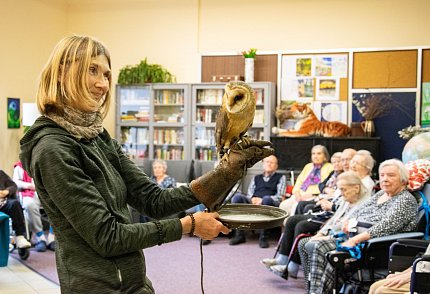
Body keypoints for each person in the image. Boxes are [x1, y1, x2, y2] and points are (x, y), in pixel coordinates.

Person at [19, 35, 274, 293]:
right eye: (91, 70)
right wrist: (189, 225)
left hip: (133, 283)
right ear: (61, 73)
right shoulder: (52, 149)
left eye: (107, 74)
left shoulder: (97, 137)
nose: (103, 84)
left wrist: (226, 171)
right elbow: (108, 237)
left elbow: (154, 200)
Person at [299, 159, 419, 294]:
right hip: (355, 237)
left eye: (391, 175)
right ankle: (316, 291)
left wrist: (353, 240)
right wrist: (347, 221)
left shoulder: (405, 200)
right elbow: (358, 210)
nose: (385, 179)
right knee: (315, 246)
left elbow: (385, 227)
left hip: (375, 247)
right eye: (382, 175)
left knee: (322, 248)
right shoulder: (381, 194)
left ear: (403, 180)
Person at [262, 171, 369, 278]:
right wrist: (320, 234)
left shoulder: (362, 204)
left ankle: (294, 268)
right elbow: (334, 219)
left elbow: (344, 227)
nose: (341, 193)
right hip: (329, 222)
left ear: (356, 188)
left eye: (343, 189)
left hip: (340, 235)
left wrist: (326, 236)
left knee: (303, 230)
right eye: (340, 189)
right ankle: (284, 260)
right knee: (292, 221)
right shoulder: (346, 199)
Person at [229, 155, 287, 248]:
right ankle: (239, 235)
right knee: (237, 198)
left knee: (266, 199)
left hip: (270, 202)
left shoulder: (281, 178)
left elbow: (280, 197)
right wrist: (252, 199)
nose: (269, 164)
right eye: (267, 162)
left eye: (272, 162)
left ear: (276, 166)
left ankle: (263, 237)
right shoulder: (256, 178)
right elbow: (249, 194)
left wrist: (262, 200)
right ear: (263, 164)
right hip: (254, 201)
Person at [279, 144, 333, 219]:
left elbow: (324, 185)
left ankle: (291, 226)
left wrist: (311, 194)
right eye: (313, 153)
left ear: (325, 156)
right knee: (283, 205)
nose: (315, 156)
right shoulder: (308, 166)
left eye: (319, 153)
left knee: (296, 207)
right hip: (300, 194)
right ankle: (285, 228)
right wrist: (297, 194)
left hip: (314, 196)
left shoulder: (329, 167)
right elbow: (299, 182)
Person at [13, 161, 56, 252]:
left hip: (46, 193)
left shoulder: (45, 163)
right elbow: (15, 182)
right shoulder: (20, 166)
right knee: (29, 205)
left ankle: (52, 237)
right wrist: (29, 185)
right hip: (29, 193)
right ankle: (40, 238)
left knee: (57, 202)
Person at [0, 169, 31, 249]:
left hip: (3, 203)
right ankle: (3, 242)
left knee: (15, 204)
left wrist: (6, 191)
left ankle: (20, 237)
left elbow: (13, 186)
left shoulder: (1, 174)